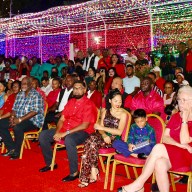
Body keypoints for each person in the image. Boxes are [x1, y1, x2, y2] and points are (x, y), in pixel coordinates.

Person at [118, 85, 192, 192]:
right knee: (159, 163)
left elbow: (185, 141)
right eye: (179, 100)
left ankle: (139, 184)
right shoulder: (176, 116)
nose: (181, 103)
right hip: (172, 152)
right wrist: (180, 145)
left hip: (187, 156)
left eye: (184, 100)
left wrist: (184, 120)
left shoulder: (184, 118)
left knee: (158, 147)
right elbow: (165, 137)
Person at [39, 80, 98, 183]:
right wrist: (58, 132)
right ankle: (50, 163)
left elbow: (85, 125)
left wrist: (65, 133)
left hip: (83, 131)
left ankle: (74, 172)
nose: (77, 90)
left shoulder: (89, 104)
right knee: (43, 135)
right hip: (65, 129)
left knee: (69, 140)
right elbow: (62, 119)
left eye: (79, 88)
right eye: (75, 88)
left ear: (84, 90)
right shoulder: (70, 102)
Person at [78, 89, 127, 188]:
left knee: (90, 142)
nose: (118, 103)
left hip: (114, 139)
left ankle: (89, 174)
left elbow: (119, 131)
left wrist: (102, 129)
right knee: (90, 139)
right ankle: (93, 169)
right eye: (116, 101)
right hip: (103, 136)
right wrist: (104, 134)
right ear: (110, 101)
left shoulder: (123, 114)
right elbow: (100, 130)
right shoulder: (105, 111)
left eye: (120, 101)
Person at [0, 77, 44, 160]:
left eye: (25, 84)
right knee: (1, 123)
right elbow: (14, 108)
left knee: (17, 127)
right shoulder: (20, 94)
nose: (23, 85)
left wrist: (19, 120)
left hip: (33, 121)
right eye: (22, 83)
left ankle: (17, 152)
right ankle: (11, 148)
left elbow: (34, 111)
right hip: (18, 118)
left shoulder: (36, 95)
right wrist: (12, 117)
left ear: (30, 84)